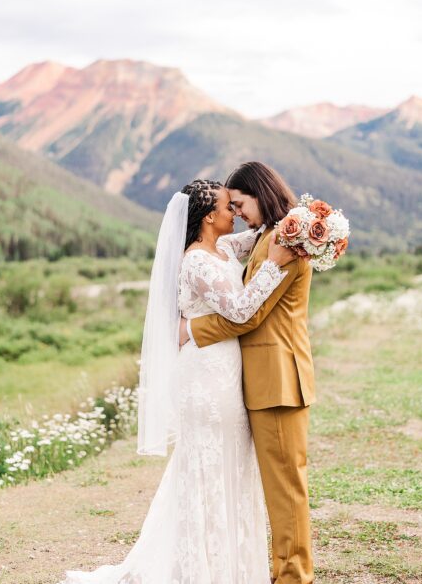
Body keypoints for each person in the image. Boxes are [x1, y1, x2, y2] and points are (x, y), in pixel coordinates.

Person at [62, 178, 297, 583]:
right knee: (207, 463)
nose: (235, 214)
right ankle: (203, 569)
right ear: (209, 216)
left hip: (226, 372)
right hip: (205, 377)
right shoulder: (196, 262)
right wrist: (276, 264)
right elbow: (241, 309)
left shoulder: (222, 248)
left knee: (230, 461)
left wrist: (303, 225)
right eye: (228, 207)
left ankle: (230, 564)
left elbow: (259, 236)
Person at [179, 161, 316, 584]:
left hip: (277, 378)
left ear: (260, 194)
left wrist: (190, 329)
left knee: (285, 490)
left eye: (240, 203)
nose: (237, 212)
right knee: (273, 488)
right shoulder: (262, 237)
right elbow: (219, 252)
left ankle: (293, 577)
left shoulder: (285, 242)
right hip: (255, 378)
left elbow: (247, 318)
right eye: (230, 205)